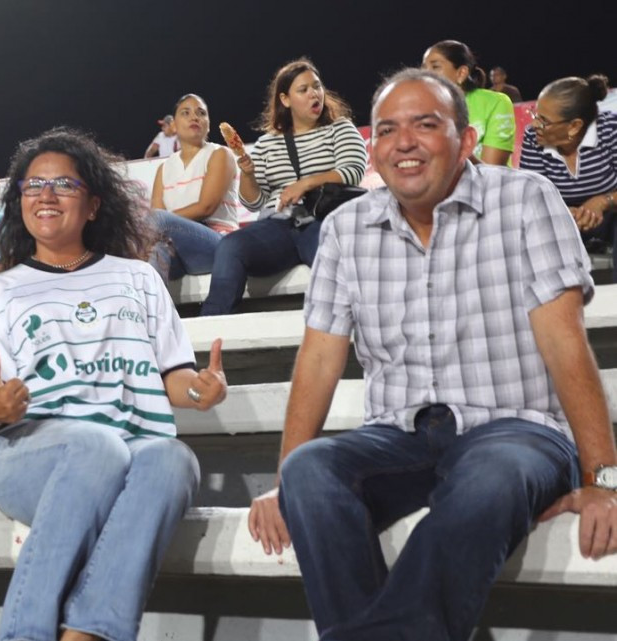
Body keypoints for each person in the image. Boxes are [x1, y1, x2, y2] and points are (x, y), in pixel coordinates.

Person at [247, 69, 617, 641]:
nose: (405, 142)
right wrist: (282, 483)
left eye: (426, 124)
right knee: (309, 471)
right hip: (398, 435)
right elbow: (319, 359)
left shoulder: (523, 199)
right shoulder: (346, 228)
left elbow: (566, 341)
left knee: (493, 473)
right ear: (374, 147)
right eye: (389, 129)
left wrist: (604, 478)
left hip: (513, 431)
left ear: (466, 141)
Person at [0, 127, 227, 641]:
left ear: (93, 205)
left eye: (64, 184)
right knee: (95, 443)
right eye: (33, 186)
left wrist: (201, 390)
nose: (45, 195)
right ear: (18, 203)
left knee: (174, 459)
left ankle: (89, 633)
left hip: (128, 448)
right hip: (29, 453)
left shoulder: (139, 278)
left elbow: (174, 378)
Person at [200, 58, 366, 316]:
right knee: (231, 247)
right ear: (285, 100)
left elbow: (353, 172)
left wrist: (306, 183)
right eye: (304, 90)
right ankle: (210, 332)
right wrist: (248, 174)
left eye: (317, 86)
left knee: (332, 253)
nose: (315, 94)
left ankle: (353, 327)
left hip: (323, 221)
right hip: (278, 226)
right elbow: (254, 202)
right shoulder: (268, 142)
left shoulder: (340, 128)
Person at [519, 75, 617, 265]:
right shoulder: (533, 138)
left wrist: (603, 202)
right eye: (535, 115)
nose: (534, 125)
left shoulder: (611, 129)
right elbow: (530, 195)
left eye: (544, 120)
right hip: (560, 218)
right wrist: (562, 211)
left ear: (574, 126)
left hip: (611, 213)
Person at [150, 94, 242, 282]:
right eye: (186, 113)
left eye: (201, 113)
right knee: (154, 251)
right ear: (174, 125)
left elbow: (205, 207)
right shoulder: (164, 168)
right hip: (179, 251)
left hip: (218, 245)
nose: (194, 117)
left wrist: (167, 220)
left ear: (208, 123)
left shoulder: (219, 154)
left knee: (155, 219)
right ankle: (153, 311)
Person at [423, 40, 516, 166]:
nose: (426, 75)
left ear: (461, 73)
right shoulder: (422, 109)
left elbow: (491, 172)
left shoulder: (496, 103)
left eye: (435, 67)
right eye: (424, 69)